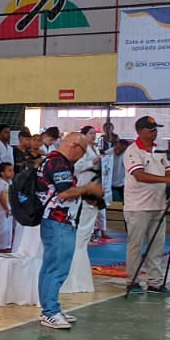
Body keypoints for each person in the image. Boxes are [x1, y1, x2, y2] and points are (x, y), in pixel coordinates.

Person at [37, 133, 103, 329]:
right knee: (57, 267)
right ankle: (50, 312)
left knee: (52, 266)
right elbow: (65, 192)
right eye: (82, 152)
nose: (81, 157)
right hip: (58, 220)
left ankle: (51, 307)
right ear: (74, 146)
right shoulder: (58, 163)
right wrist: (88, 188)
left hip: (57, 220)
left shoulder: (53, 161)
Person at [122, 116, 170, 296]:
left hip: (158, 204)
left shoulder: (159, 150)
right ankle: (133, 281)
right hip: (137, 206)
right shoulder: (132, 151)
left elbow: (167, 171)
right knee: (135, 245)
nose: (154, 132)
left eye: (155, 129)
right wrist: (169, 180)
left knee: (157, 246)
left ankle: (155, 282)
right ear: (139, 131)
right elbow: (139, 175)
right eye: (150, 129)